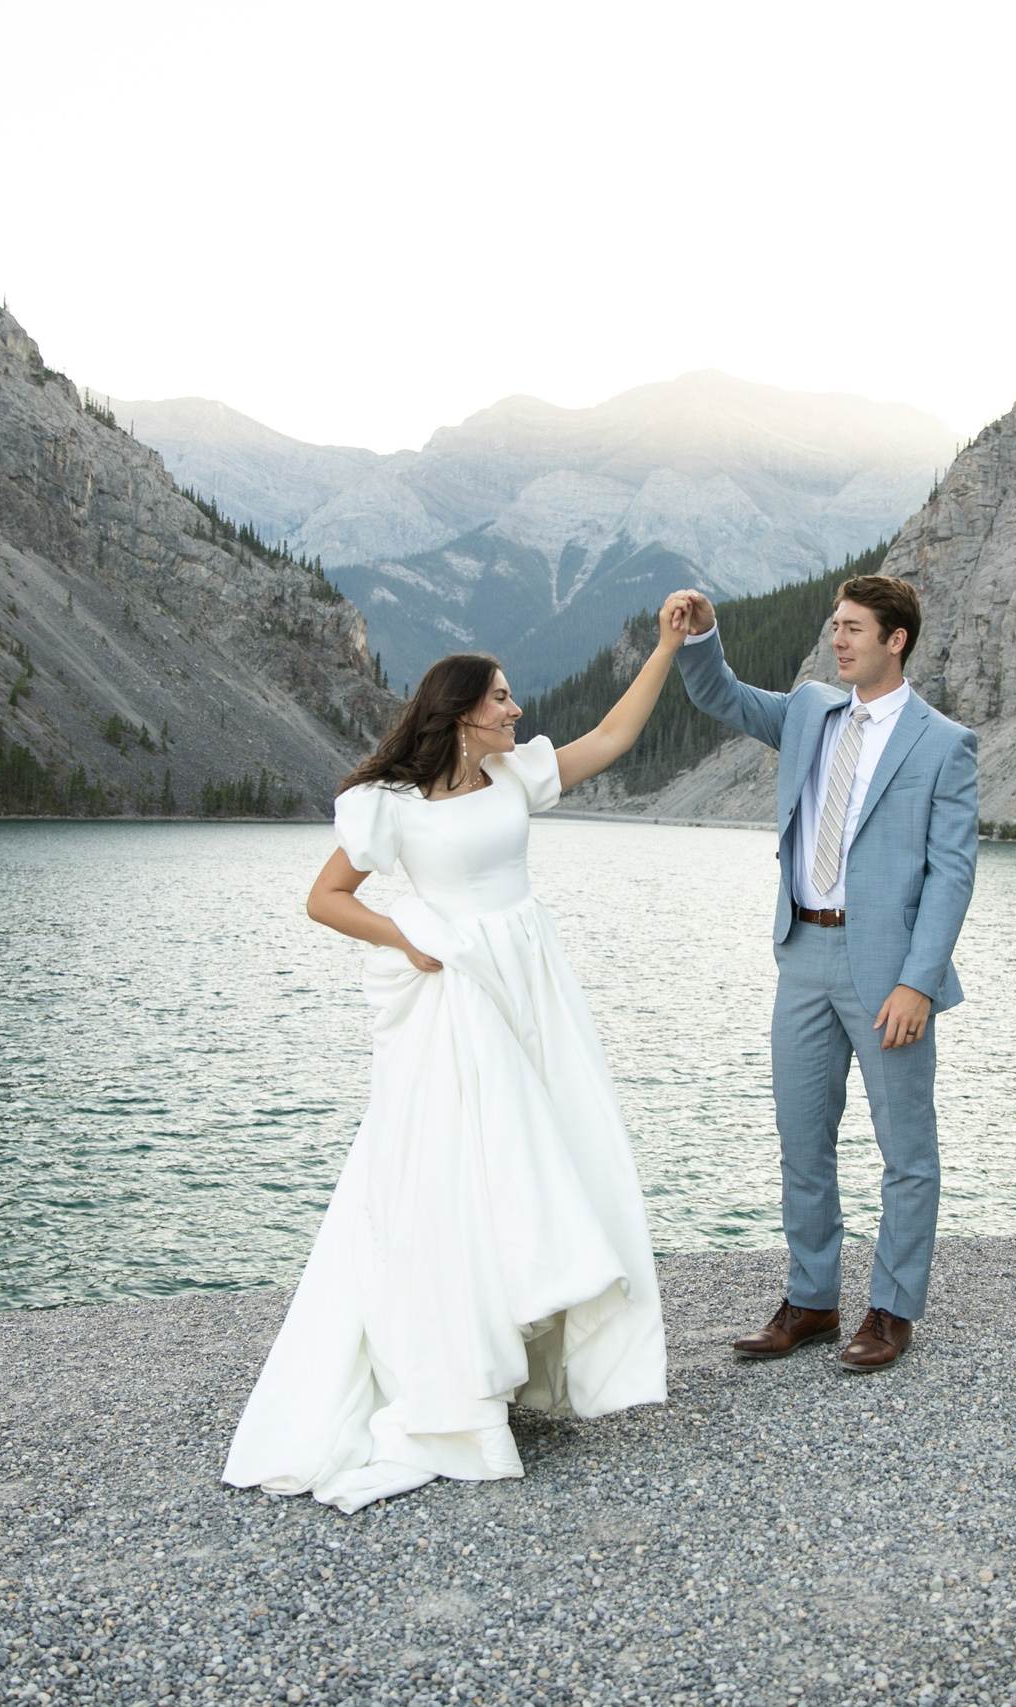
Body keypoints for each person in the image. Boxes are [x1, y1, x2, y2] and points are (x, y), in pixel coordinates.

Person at [220, 601, 693, 1512]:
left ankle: (525, 1359)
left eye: (514, 697)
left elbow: (615, 733)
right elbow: (325, 898)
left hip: (532, 981)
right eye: (504, 698)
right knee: (460, 1166)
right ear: (464, 709)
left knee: (551, 1148)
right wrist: (406, 937)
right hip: (457, 994)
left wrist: (669, 645)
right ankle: (462, 1367)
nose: (517, 710)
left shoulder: (516, 775)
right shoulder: (388, 805)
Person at [668, 575, 978, 1372]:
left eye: (853, 628)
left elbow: (952, 873)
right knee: (802, 1137)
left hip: (888, 971)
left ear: (895, 639)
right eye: (834, 625)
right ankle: (810, 1298)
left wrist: (919, 980)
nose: (837, 639)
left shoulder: (943, 742)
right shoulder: (809, 710)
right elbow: (723, 695)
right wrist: (702, 633)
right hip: (802, 953)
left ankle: (891, 1309)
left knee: (905, 1147)